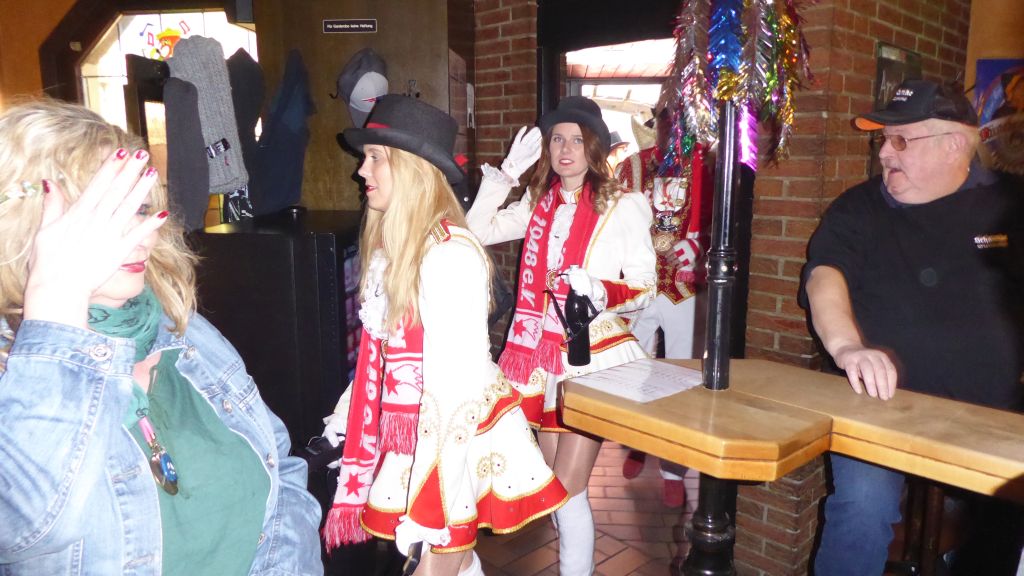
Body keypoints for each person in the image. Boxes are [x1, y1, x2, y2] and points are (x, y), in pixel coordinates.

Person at [0, 100, 323, 574]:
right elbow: (26, 530)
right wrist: (56, 299)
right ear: (24, 223)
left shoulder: (180, 328)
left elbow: (282, 473)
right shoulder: (14, 373)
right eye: (104, 211)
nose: (141, 235)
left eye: (140, 207)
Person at [320, 94, 567, 576]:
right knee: (452, 563)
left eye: (375, 157)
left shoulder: (449, 255)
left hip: (450, 441)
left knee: (437, 562)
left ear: (410, 169)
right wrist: (350, 415)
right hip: (416, 429)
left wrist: (434, 500)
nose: (361, 171)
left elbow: (456, 388)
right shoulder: (398, 249)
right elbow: (381, 354)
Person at [801, 79, 1024, 576]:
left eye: (901, 139)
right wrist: (847, 346)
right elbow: (824, 276)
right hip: (880, 405)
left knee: (1006, 521)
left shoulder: (1012, 205)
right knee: (861, 509)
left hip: (991, 412)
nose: (885, 153)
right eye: (883, 139)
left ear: (954, 144)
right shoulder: (859, 206)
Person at [466, 95, 656, 575]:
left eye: (576, 140)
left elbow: (645, 286)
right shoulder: (538, 204)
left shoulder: (624, 204)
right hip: (540, 357)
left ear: (594, 148)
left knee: (567, 489)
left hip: (592, 355)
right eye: (556, 140)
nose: (565, 149)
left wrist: (601, 290)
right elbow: (474, 231)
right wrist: (506, 175)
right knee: (556, 489)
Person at [614, 104, 709, 511]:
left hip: (685, 288)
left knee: (683, 375)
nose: (673, 128)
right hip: (640, 285)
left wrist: (699, 246)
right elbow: (611, 222)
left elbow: (729, 222)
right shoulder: (631, 167)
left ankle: (674, 469)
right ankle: (636, 441)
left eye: (681, 120)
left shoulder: (709, 166)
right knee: (630, 365)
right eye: (667, 120)